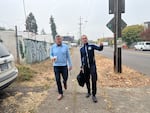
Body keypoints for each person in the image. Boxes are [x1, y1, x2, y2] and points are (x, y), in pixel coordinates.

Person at [80, 35, 103, 103]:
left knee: (93, 80)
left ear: (87, 39)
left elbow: (99, 49)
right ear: (81, 40)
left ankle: (94, 95)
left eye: (85, 38)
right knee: (87, 80)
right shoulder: (81, 49)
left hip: (92, 66)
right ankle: (88, 91)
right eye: (83, 39)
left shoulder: (91, 46)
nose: (84, 39)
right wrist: (82, 67)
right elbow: (82, 58)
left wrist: (101, 46)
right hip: (85, 67)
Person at [50, 35, 72, 100]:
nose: (59, 40)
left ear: (61, 40)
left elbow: (68, 56)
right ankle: (60, 93)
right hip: (56, 66)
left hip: (64, 66)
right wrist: (52, 58)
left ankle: (65, 82)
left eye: (60, 39)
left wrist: (70, 64)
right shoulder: (53, 47)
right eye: (57, 39)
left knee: (65, 77)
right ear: (55, 40)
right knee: (57, 80)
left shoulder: (65, 47)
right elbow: (50, 55)